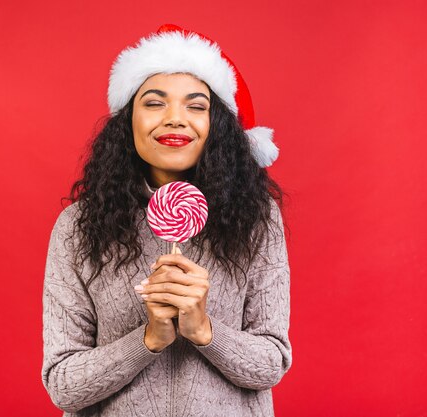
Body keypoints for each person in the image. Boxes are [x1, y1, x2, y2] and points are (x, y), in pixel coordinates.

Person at [42, 24, 293, 416]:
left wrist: (204, 330)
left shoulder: (258, 220)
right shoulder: (78, 227)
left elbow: (271, 363)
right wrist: (148, 339)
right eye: (154, 103)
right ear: (128, 121)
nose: (175, 119)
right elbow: (63, 385)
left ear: (217, 127)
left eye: (196, 106)